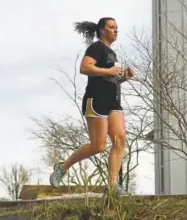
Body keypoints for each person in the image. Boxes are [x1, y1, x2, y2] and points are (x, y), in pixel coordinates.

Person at [49, 17, 134, 195]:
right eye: (112, 27)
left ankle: (112, 186)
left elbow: (109, 78)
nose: (116, 30)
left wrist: (124, 77)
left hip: (113, 100)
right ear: (102, 30)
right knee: (98, 146)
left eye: (117, 27)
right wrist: (109, 71)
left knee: (120, 140)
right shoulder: (96, 47)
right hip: (96, 100)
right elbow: (85, 68)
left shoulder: (112, 53)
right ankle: (62, 167)